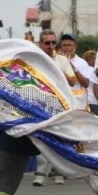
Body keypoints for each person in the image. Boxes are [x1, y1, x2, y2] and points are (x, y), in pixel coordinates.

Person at [33, 29, 76, 186]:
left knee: (59, 137)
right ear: (41, 44)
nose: (51, 46)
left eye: (53, 42)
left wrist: (58, 71)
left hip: (59, 103)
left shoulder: (62, 60)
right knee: (41, 137)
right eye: (47, 43)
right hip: (41, 102)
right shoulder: (35, 59)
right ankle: (41, 173)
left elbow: (73, 81)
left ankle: (59, 171)